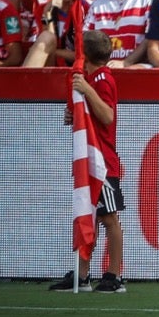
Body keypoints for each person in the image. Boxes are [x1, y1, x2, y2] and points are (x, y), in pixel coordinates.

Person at [47, 31, 126, 293]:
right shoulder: (92, 78)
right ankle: (82, 275)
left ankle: (114, 275)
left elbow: (107, 116)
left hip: (102, 159)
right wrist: (74, 113)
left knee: (109, 218)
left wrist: (87, 91)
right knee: (88, 217)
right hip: (91, 157)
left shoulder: (102, 80)